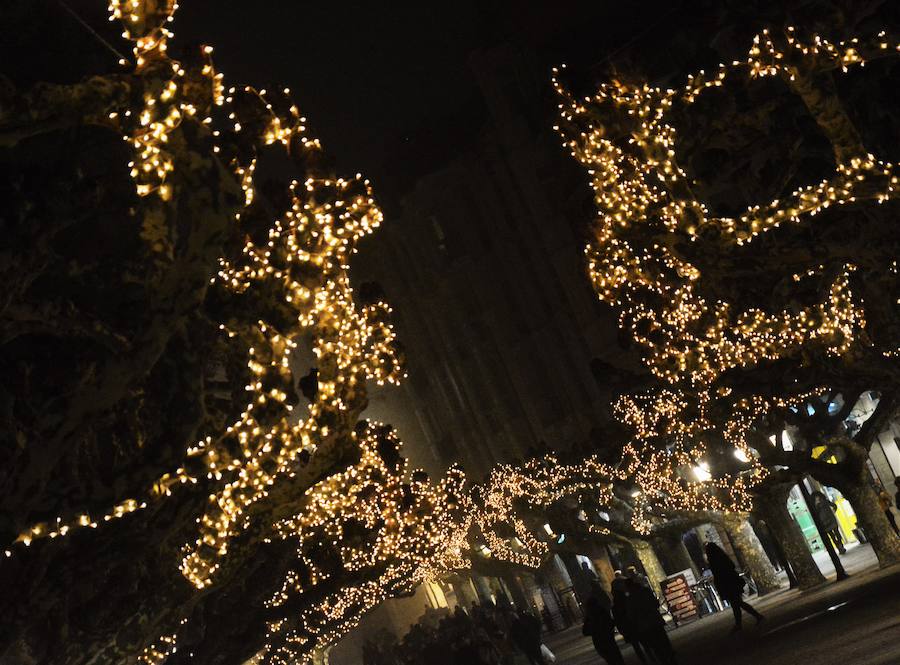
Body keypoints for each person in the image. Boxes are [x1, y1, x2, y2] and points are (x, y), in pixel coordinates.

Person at [704, 542, 764, 631]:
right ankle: (742, 623)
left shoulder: (713, 561)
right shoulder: (722, 556)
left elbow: (718, 573)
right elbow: (731, 565)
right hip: (732, 581)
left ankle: (753, 618)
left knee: (737, 603)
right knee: (736, 603)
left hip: (726, 584)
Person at [623, 576, 677, 665]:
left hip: (645, 625)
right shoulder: (645, 591)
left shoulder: (630, 599)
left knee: (656, 646)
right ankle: (671, 657)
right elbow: (655, 603)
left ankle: (664, 660)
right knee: (663, 641)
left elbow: (631, 615)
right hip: (655, 620)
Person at [582, 582, 625, 665]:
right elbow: (610, 622)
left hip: (599, 641)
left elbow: (585, 631)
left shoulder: (590, 617)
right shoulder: (602, 611)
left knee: (610, 659)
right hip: (608, 638)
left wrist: (594, 631)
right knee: (617, 658)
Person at [611, 576, 651, 664]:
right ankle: (651, 658)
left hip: (629, 627)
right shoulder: (627, 599)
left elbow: (618, 619)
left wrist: (622, 630)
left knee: (637, 645)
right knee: (644, 642)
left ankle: (645, 660)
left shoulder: (616, 605)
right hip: (635, 624)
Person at [810, 490, 846, 554]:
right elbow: (815, 513)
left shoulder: (825, 501)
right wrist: (817, 505)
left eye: (818, 497)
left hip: (831, 519)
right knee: (832, 536)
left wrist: (833, 511)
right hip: (824, 522)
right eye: (816, 497)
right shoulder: (814, 506)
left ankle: (841, 546)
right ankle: (839, 547)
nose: (817, 498)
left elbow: (834, 505)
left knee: (837, 533)